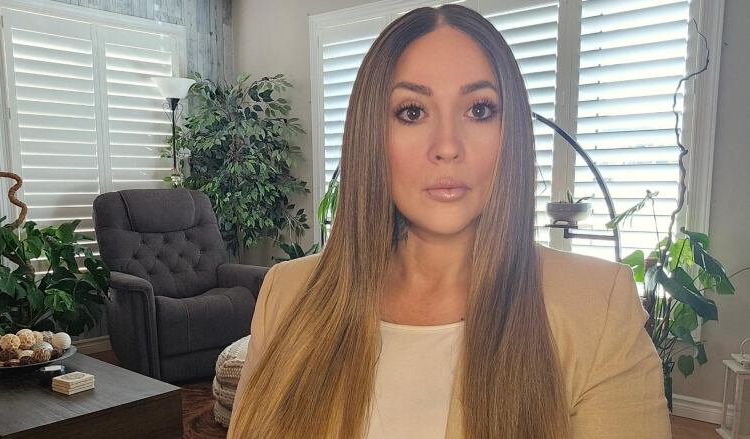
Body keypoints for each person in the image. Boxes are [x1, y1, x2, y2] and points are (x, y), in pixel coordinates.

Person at [227, 4, 671, 439]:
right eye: (412, 111)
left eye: (479, 110)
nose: (447, 146)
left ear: (510, 131)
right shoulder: (286, 293)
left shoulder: (598, 306)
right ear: (372, 135)